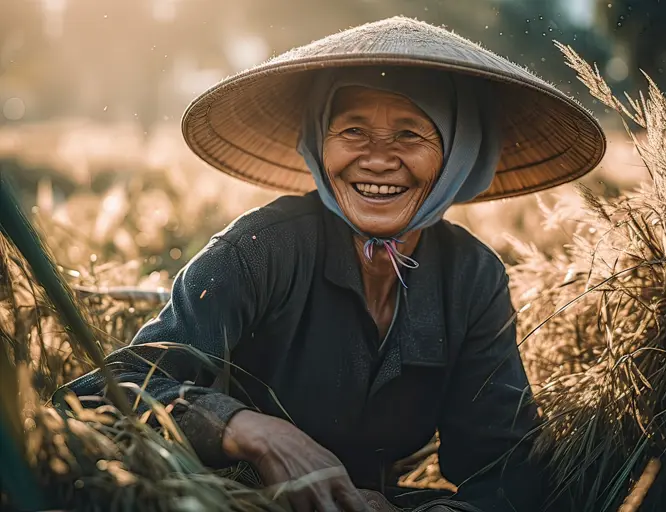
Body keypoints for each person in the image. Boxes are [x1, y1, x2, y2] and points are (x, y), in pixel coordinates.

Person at [63, 16, 606, 512]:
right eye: (351, 131)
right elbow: (93, 398)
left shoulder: (473, 278)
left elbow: (505, 470)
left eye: (410, 134)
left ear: (458, 152)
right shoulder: (261, 249)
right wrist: (248, 428)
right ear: (319, 141)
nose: (376, 158)